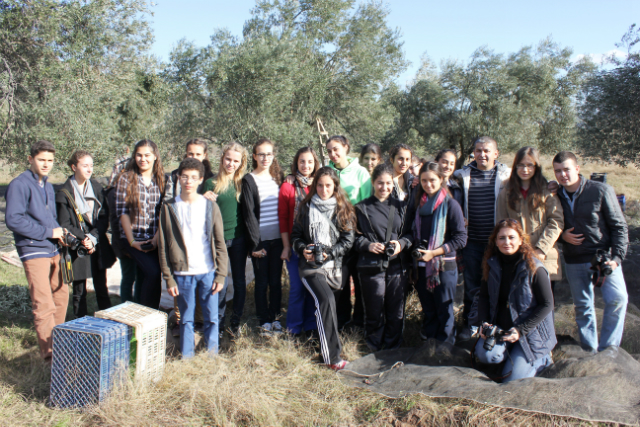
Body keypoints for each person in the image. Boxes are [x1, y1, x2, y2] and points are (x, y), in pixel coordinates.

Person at [553, 151, 628, 353]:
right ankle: (589, 350)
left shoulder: (600, 190)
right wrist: (562, 237)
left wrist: (617, 258)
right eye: (558, 171)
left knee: (618, 299)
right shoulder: (554, 194)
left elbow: (619, 226)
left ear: (577, 168)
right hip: (574, 259)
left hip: (603, 258)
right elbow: (547, 224)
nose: (563, 175)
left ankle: (610, 349)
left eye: (567, 169)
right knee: (583, 307)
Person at [5, 140, 68, 361]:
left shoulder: (48, 185)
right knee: (43, 303)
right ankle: (49, 357)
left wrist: (59, 235)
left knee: (61, 296)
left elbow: (49, 219)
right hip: (33, 250)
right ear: (31, 159)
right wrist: (47, 232)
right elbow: (13, 219)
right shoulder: (19, 184)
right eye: (41, 159)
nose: (46, 164)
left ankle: (59, 345)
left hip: (53, 249)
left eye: (50, 160)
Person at [158, 158, 228, 358]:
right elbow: (163, 246)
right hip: (182, 273)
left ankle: (212, 354)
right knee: (186, 319)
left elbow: (219, 243)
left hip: (207, 271)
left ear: (201, 180)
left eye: (193, 177)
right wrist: (169, 278)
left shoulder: (209, 207)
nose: (189, 181)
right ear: (179, 178)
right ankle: (187, 356)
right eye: (185, 176)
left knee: (211, 317)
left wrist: (221, 274)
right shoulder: (169, 208)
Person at [291, 167, 356, 370]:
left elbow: (348, 240)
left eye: (328, 185)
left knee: (332, 307)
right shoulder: (305, 207)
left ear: (335, 186)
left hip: (335, 267)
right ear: (314, 185)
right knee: (326, 301)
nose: (324, 189)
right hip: (311, 267)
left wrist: (330, 252)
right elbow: (296, 237)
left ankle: (329, 345)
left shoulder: (342, 207)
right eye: (320, 185)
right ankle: (331, 358)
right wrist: (303, 250)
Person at [475, 220, 555, 382]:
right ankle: (511, 353)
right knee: (485, 355)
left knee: (512, 383)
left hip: (530, 334)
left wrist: (521, 330)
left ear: (521, 239)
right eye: (502, 238)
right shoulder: (491, 264)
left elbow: (547, 304)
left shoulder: (535, 268)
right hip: (503, 330)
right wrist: (484, 323)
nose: (507, 242)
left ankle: (543, 357)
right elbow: (483, 296)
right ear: (495, 242)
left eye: (512, 237)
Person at [453, 136, 511, 340]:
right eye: (478, 150)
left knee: (497, 285)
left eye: (487, 151)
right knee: (471, 286)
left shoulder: (506, 176)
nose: (482, 154)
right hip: (472, 242)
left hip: (497, 244)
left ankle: (494, 324)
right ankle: (472, 325)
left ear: (496, 153)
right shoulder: (462, 175)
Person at [405, 162, 467, 344]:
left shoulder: (451, 205)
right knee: (428, 308)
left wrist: (435, 253)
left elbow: (461, 239)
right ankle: (430, 342)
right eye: (424, 180)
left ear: (441, 179)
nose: (428, 184)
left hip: (444, 266)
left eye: (432, 180)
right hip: (422, 266)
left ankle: (446, 344)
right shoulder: (418, 204)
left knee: (444, 307)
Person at [355, 163, 411, 351]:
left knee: (396, 309)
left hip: (397, 265)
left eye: (388, 183)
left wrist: (400, 245)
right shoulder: (361, 208)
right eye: (380, 183)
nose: (384, 187)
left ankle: (393, 345)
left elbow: (411, 234)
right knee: (374, 309)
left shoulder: (402, 207)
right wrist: (367, 245)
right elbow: (351, 238)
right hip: (371, 266)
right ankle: (374, 344)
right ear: (373, 182)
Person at [56, 150, 116, 318]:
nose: (89, 170)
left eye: (91, 165)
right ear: (74, 167)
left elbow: (104, 217)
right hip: (79, 246)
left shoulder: (96, 188)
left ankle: (108, 321)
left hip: (96, 243)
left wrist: (93, 237)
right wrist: (84, 239)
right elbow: (65, 224)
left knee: (101, 287)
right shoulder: (64, 193)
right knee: (79, 290)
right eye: (85, 166)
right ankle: (80, 325)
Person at [496, 147, 564, 290]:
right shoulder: (506, 191)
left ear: (536, 167)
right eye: (521, 165)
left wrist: (541, 249)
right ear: (515, 166)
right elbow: (501, 224)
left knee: (544, 305)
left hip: (544, 258)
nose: (525, 170)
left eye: (529, 165)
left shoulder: (547, 191)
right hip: (516, 257)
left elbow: (556, 221)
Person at [203, 142, 249, 336]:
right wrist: (202, 198)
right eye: (228, 159)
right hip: (217, 241)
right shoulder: (210, 184)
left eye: (236, 161)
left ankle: (235, 321)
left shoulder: (243, 183)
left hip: (238, 240)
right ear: (222, 159)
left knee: (239, 281)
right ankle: (219, 322)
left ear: (241, 163)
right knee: (219, 282)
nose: (231, 163)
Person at [325, 135, 371, 330]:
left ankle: (359, 321)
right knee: (340, 280)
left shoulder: (361, 173)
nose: (333, 154)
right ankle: (342, 320)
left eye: (336, 149)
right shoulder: (327, 172)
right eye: (329, 151)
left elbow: (367, 204)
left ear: (346, 147)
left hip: (356, 234)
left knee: (359, 280)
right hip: (333, 236)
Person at [241, 138, 285, 336]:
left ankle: (275, 317)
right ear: (254, 156)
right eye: (261, 154)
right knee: (261, 281)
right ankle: (263, 319)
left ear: (273, 155)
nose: (265, 158)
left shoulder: (279, 177)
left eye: (268, 154)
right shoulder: (249, 180)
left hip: (279, 240)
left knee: (276, 281)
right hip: (261, 241)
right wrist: (255, 244)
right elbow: (248, 214)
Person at [115, 139, 165, 309]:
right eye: (139, 155)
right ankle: (144, 315)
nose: (143, 159)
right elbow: (123, 213)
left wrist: (156, 238)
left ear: (155, 157)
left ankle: (151, 316)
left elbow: (162, 212)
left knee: (152, 278)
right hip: (133, 238)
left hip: (154, 238)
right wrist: (132, 242)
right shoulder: (126, 178)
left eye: (147, 155)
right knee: (153, 272)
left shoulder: (161, 180)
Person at [279, 146, 319, 337]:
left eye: (310, 161)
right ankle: (294, 328)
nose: (306, 165)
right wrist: (286, 246)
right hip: (295, 246)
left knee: (312, 287)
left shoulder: (319, 184)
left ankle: (311, 326)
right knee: (296, 288)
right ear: (296, 163)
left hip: (314, 245)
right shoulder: (288, 186)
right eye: (302, 161)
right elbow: (283, 218)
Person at [106, 177, 144, 304]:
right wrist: (123, 247)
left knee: (140, 276)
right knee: (129, 277)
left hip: (139, 242)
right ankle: (126, 306)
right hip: (125, 244)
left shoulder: (136, 189)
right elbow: (115, 223)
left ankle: (138, 306)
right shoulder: (115, 193)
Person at [388, 144, 416, 212]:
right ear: (392, 160)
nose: (404, 163)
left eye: (407, 159)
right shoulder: (384, 181)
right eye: (400, 159)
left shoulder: (412, 182)